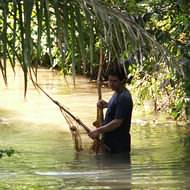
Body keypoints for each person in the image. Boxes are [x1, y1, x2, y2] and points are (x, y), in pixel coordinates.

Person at [88, 64, 133, 154]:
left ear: (123, 81)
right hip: (110, 143)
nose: (111, 84)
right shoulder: (117, 93)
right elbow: (119, 109)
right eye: (109, 80)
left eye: (114, 81)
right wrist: (107, 105)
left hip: (118, 145)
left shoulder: (124, 97)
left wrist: (98, 130)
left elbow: (117, 122)